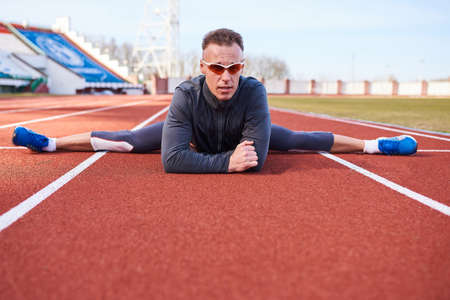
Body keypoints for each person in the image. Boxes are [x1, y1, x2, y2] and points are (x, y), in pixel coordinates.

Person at [12, 28, 418, 173]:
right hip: (197, 136)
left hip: (241, 134)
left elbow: (255, 159)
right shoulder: (186, 95)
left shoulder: (255, 91)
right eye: (217, 68)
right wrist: (225, 162)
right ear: (202, 66)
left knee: (298, 138)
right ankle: (49, 143)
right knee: (128, 140)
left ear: (243, 66)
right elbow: (172, 163)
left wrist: (239, 156)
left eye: (234, 68)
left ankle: (377, 145)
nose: (226, 77)